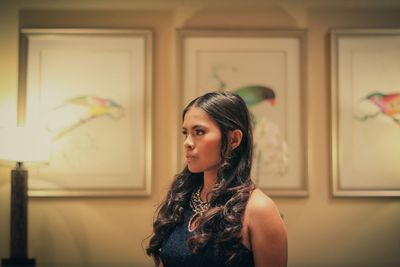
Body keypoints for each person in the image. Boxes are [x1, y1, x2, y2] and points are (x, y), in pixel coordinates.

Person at [146, 91, 287, 267]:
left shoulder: (259, 209)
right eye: (185, 133)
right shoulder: (181, 198)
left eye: (199, 132)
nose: (187, 142)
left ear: (234, 139)